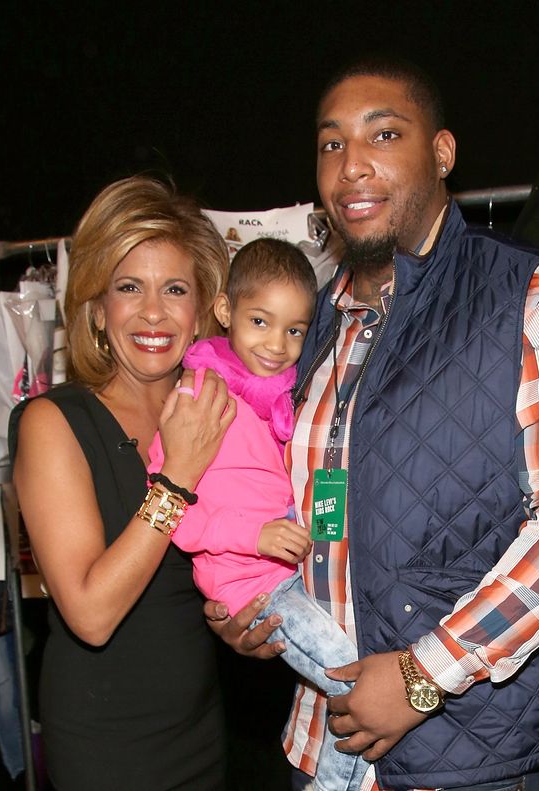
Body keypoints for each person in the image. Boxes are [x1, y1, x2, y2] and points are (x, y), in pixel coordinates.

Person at [206, 57, 539, 791]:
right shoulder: (309, 327)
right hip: (323, 742)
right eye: (331, 144)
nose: (352, 166)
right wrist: (253, 594)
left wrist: (420, 674)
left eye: (384, 134)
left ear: (441, 152)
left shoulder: (538, 299)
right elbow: (291, 496)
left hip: (467, 752)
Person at [10, 175, 234, 790]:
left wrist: (245, 621)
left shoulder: (214, 413)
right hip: (104, 739)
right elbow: (90, 613)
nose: (154, 312)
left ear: (202, 312)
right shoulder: (53, 422)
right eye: (129, 287)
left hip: (200, 725)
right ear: (98, 310)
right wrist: (177, 476)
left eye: (176, 289)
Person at [147, 237, 370, 791]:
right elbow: (174, 515)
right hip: (251, 587)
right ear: (225, 312)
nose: (278, 344)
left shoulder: (279, 399)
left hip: (289, 577)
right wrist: (257, 536)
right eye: (260, 322)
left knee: (355, 679)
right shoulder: (200, 394)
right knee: (358, 684)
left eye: (295, 330)